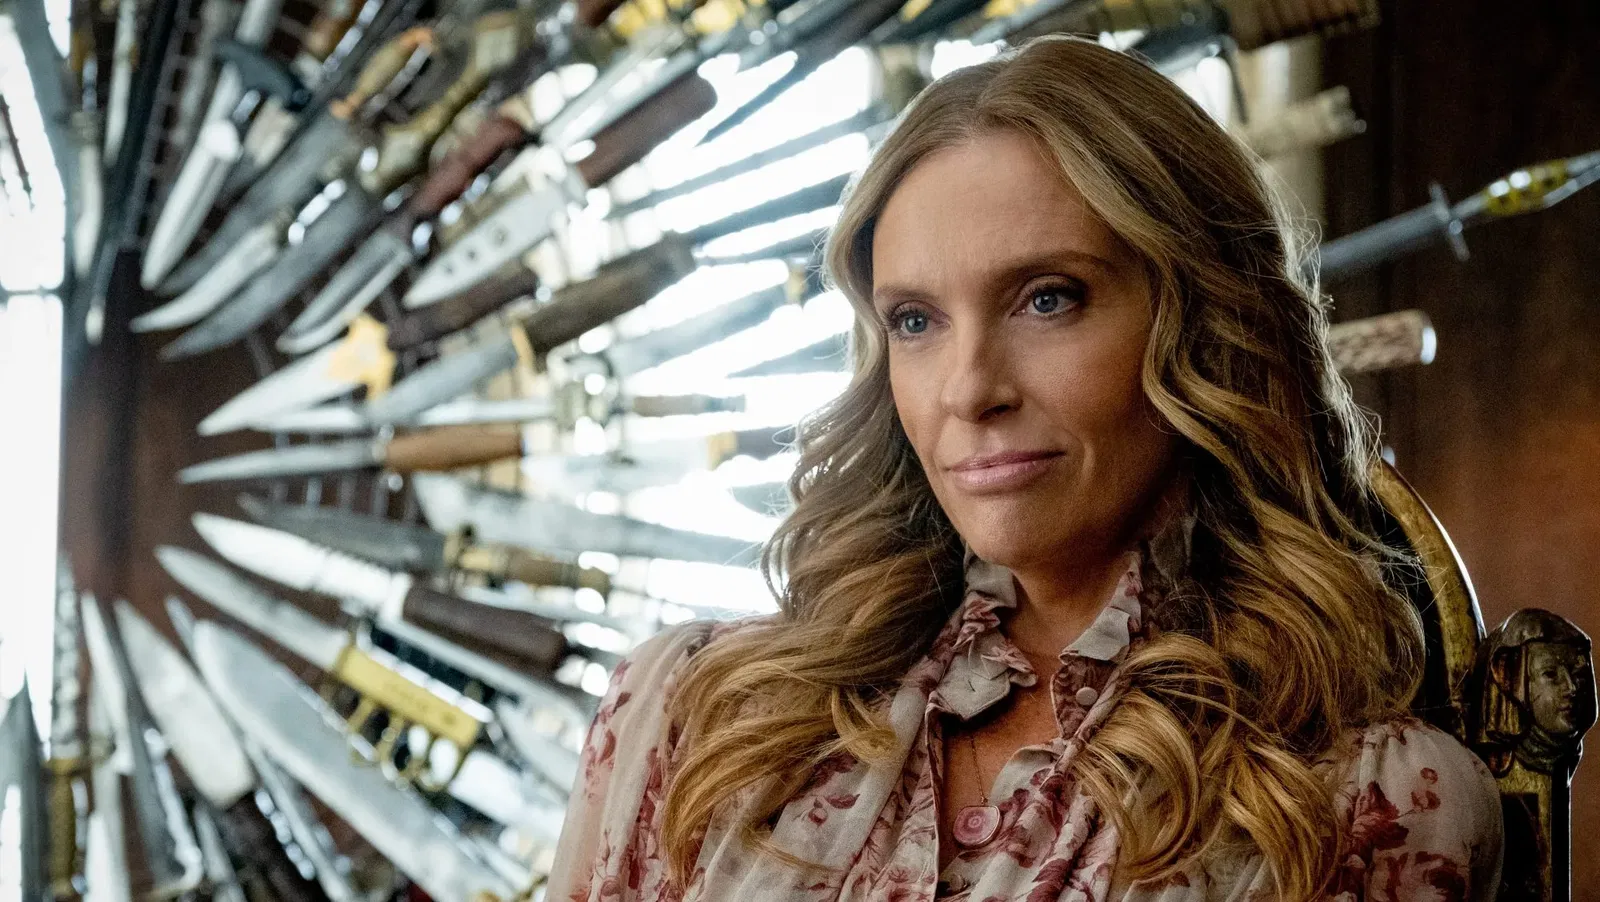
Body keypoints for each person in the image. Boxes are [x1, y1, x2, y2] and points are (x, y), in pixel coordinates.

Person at [545, 35, 1504, 901]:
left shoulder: (1360, 804)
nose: (969, 389)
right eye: (915, 321)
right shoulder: (688, 714)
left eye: (1048, 299)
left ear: (1204, 327)